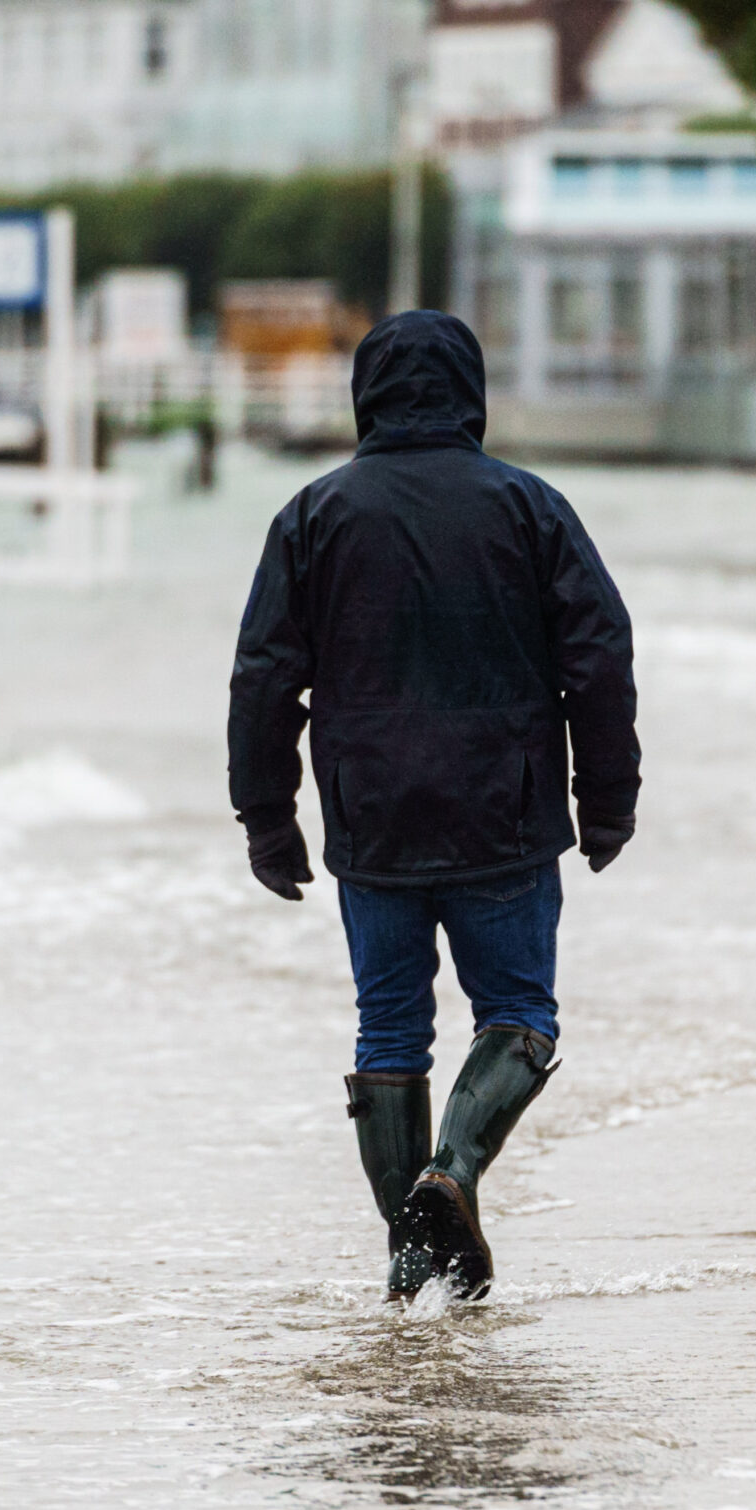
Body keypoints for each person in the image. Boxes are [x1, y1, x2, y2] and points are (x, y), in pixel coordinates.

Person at [227, 310, 639, 1302]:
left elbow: (262, 676)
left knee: (388, 1030)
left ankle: (409, 1263)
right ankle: (449, 1178)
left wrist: (267, 815)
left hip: (372, 823)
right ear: (471, 391)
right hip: (504, 813)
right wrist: (607, 797)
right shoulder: (528, 508)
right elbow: (600, 652)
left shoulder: (313, 516)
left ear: (365, 393)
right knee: (518, 1013)